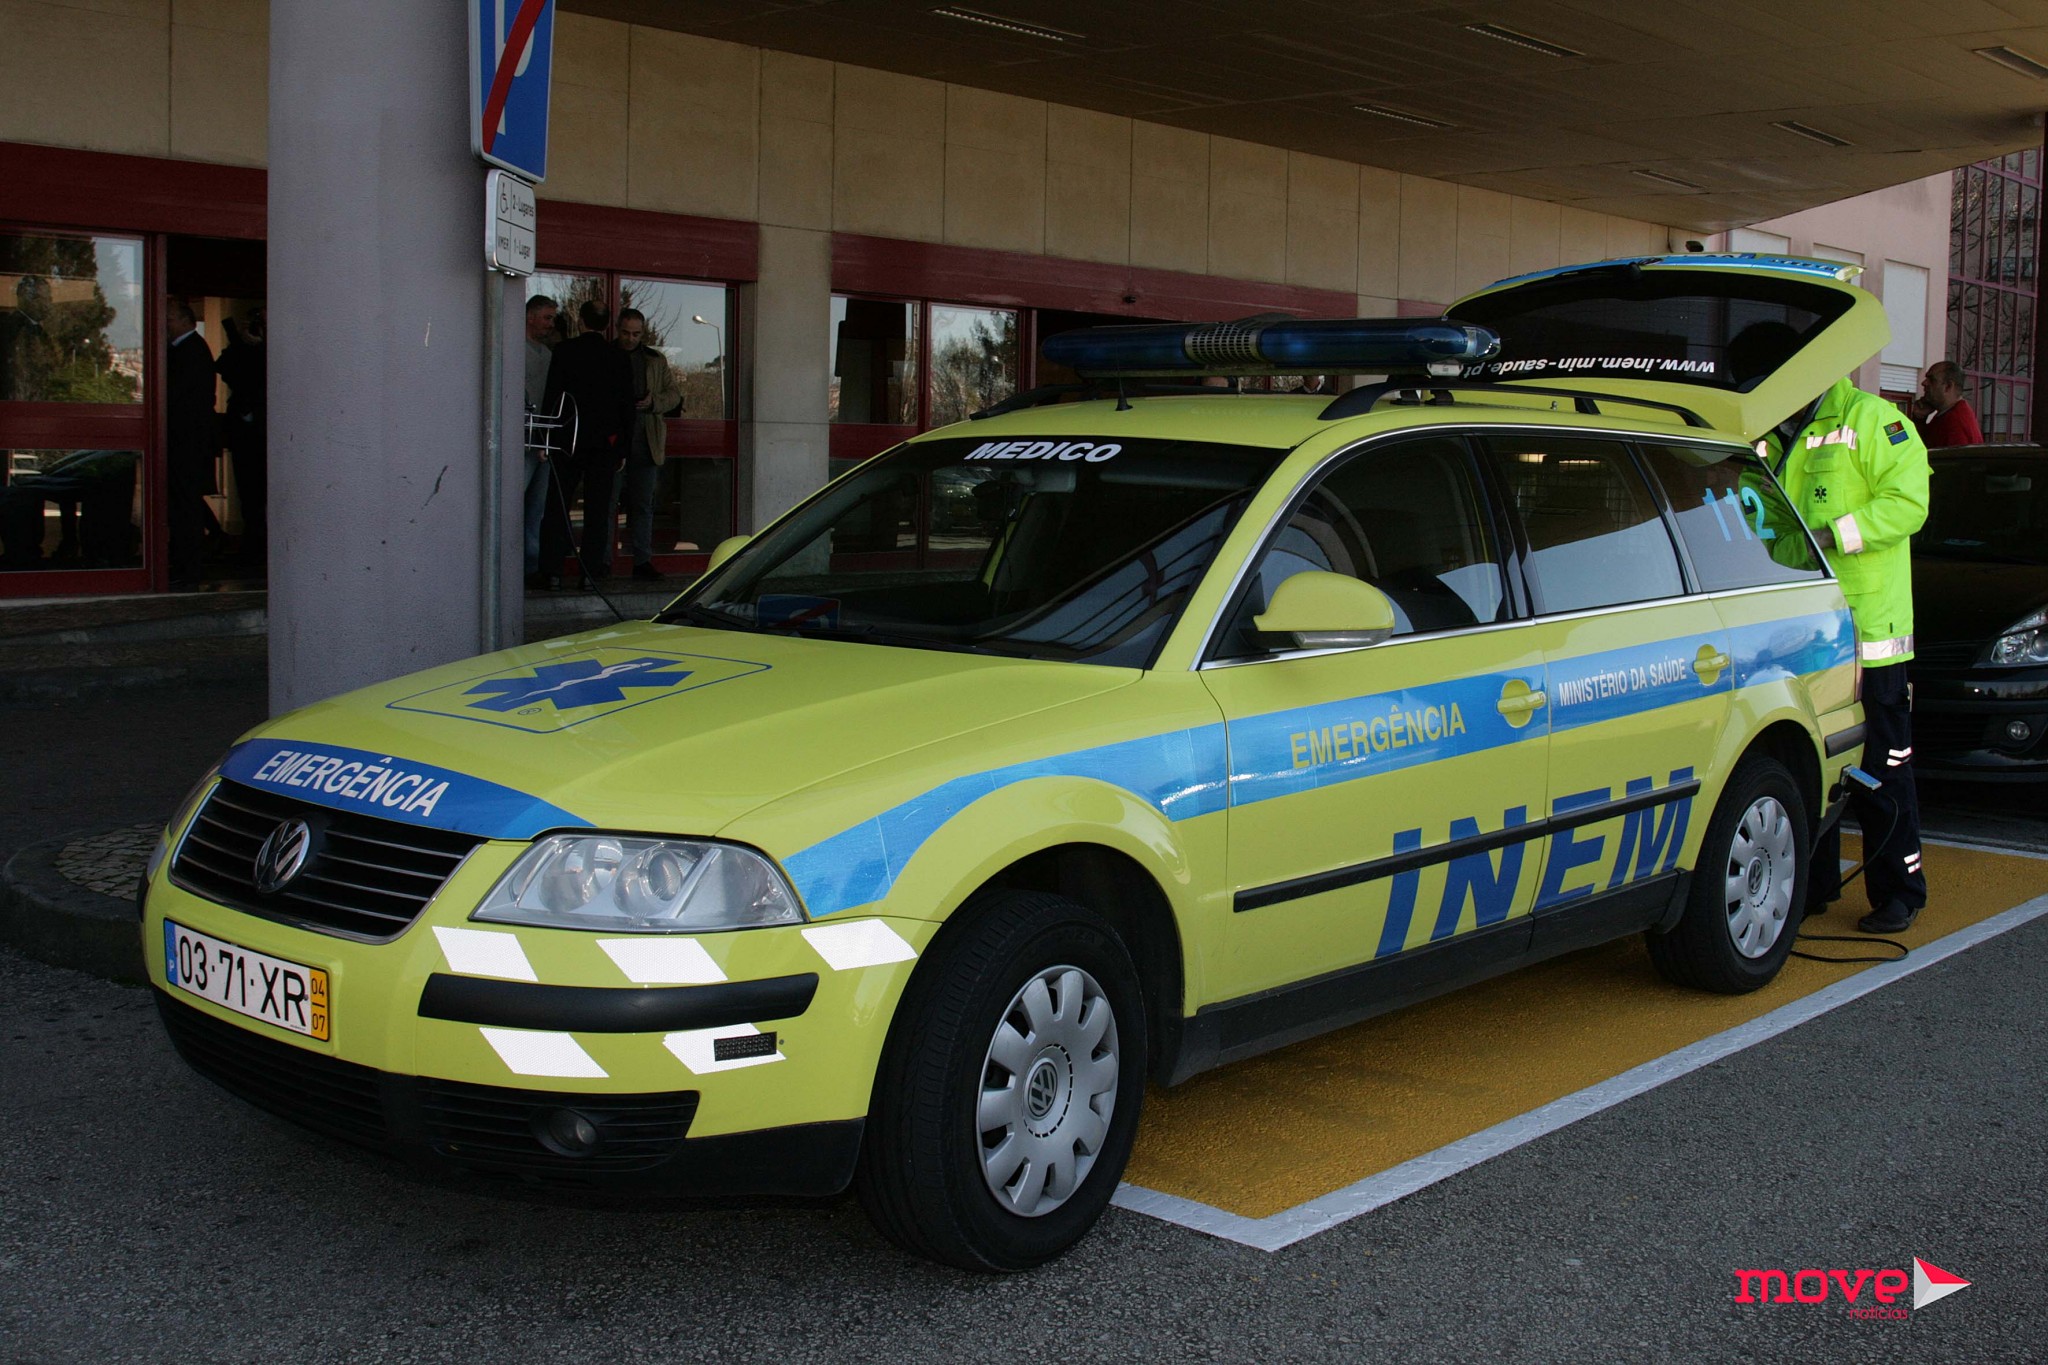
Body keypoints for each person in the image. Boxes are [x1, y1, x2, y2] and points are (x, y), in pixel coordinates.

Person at [1732, 321, 1931, 935]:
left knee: (1881, 770)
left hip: (1869, 638)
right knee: (1809, 769)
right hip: (1804, 636)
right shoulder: (1768, 437)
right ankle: (1812, 889)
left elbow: (1909, 503)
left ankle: (1900, 892)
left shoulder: (1873, 420)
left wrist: (1832, 535)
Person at [538, 298, 634, 588]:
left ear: (580, 321)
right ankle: (590, 573)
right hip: (603, 445)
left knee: (558, 506)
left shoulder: (564, 351)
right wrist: (622, 448)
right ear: (607, 326)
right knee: (597, 510)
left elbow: (553, 397)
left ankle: (552, 572)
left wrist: (545, 438)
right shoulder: (618, 357)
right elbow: (626, 407)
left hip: (567, 440)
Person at [614, 307, 683, 582]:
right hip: (615, 440)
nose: (630, 339)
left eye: (636, 334)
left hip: (646, 439)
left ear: (643, 333)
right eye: (626, 333)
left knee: (643, 505)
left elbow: (674, 395)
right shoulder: (609, 355)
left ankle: (641, 560)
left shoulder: (654, 360)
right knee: (608, 504)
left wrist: (653, 402)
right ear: (617, 330)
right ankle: (602, 561)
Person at [165, 298, 218, 588]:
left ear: (187, 321)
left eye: (169, 318)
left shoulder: (192, 351)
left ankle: (188, 569)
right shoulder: (182, 350)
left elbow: (178, 397)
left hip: (187, 445)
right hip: (184, 444)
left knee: (185, 507)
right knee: (183, 505)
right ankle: (183, 564)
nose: (165, 324)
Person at [214, 310, 266, 565]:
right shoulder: (240, 350)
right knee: (248, 493)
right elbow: (224, 367)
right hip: (245, 435)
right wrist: (242, 344)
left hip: (266, 433)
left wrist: (261, 346)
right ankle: (253, 545)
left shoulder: (276, 350)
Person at [521, 294, 558, 589]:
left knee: (537, 508)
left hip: (543, 440)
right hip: (520, 440)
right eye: (546, 317)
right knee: (514, 502)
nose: (550, 324)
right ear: (530, 316)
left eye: (552, 318)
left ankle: (531, 567)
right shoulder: (514, 349)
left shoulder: (547, 355)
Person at [1912, 361, 1983, 447]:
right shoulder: (1946, 415)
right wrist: (1919, 419)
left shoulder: (1956, 423)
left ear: (1948, 386)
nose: (1924, 383)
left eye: (1932, 380)